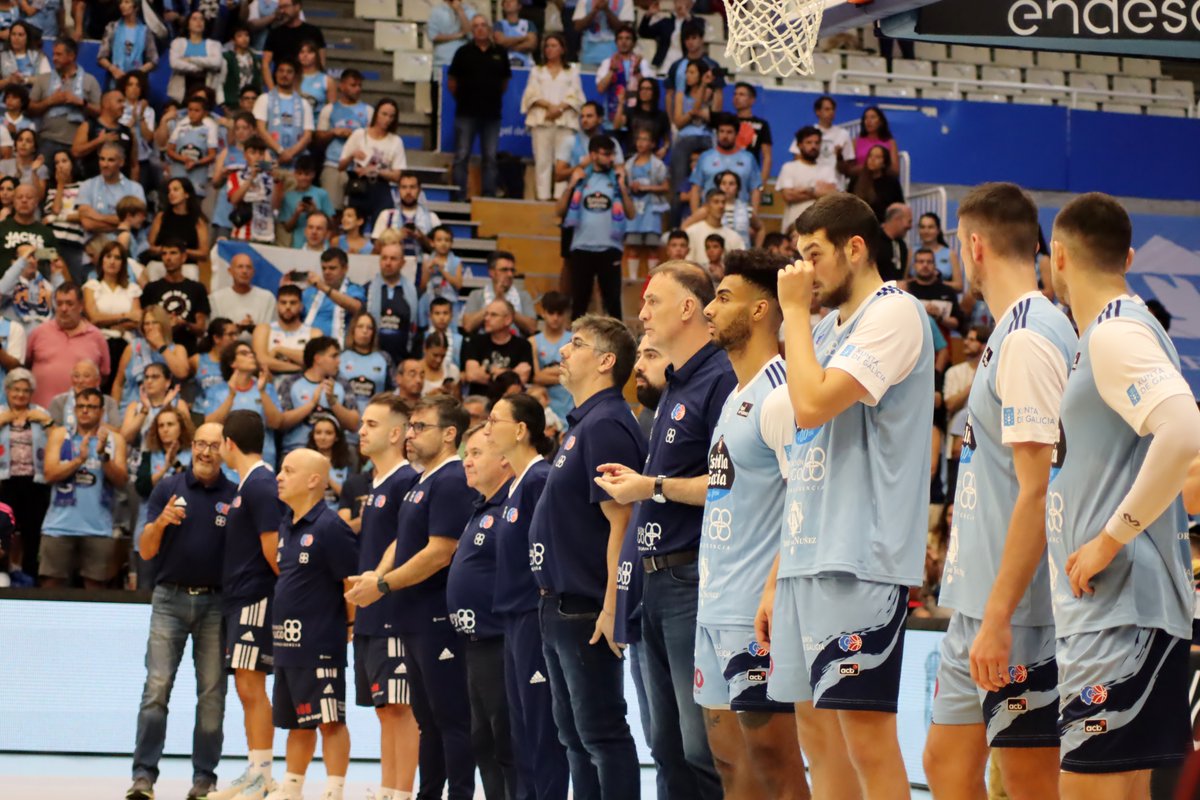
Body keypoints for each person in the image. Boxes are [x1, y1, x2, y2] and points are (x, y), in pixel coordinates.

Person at [757, 192, 934, 798]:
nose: (804, 271)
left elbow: (810, 404)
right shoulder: (829, 326)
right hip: (808, 553)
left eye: (813, 254)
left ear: (855, 248)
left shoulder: (895, 311)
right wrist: (778, 572)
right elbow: (804, 450)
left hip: (861, 556)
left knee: (865, 738)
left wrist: (795, 316)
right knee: (817, 735)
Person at [920, 183, 1077, 800]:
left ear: (974, 246)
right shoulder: (1011, 331)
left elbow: (1040, 492)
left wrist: (1001, 616)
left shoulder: (1031, 338)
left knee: (1028, 781)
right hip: (979, 597)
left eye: (958, 244)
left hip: (1020, 611)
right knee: (945, 766)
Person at [1045, 192, 1200, 796]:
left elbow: (1184, 427)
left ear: (1057, 256)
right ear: (1129, 256)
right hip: (1129, 612)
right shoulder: (1119, 329)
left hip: (1119, 614)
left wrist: (1108, 540)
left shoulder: (1113, 331)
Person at [591, 262, 731, 800]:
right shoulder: (674, 386)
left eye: (653, 302)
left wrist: (649, 487)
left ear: (689, 307)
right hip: (654, 580)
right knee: (667, 748)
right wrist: (643, 484)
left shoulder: (720, 379)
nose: (642, 313)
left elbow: (731, 484)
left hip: (693, 577)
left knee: (701, 750)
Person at [692, 248, 813, 798]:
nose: (709, 311)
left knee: (775, 764)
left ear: (762, 309)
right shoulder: (734, 395)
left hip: (754, 613)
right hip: (713, 606)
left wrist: (772, 590)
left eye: (722, 298)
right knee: (728, 762)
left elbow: (808, 499)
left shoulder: (782, 392)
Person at [526, 314, 643, 798]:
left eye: (575, 343)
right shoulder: (582, 424)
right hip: (559, 604)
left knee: (600, 734)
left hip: (588, 606)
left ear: (605, 361)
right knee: (574, 737)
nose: (563, 351)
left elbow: (624, 521)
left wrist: (612, 609)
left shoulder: (608, 423)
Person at [345, 395, 478, 800]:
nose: (413, 434)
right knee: (428, 718)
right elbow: (404, 542)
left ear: (449, 433)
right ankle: (429, 793)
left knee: (451, 717)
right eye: (413, 426)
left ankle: (457, 793)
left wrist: (384, 586)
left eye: (422, 427)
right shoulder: (424, 480)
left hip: (437, 616)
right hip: (413, 617)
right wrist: (377, 575)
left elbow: (440, 551)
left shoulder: (453, 478)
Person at [125, 422, 233, 800]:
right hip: (168, 601)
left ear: (225, 449)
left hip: (217, 605)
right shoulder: (168, 488)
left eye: (214, 445)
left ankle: (204, 779)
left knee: (212, 695)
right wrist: (160, 522)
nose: (205, 452)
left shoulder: (235, 496)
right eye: (200, 444)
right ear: (191, 446)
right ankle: (143, 777)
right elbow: (147, 550)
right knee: (156, 689)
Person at [483, 393, 571, 800]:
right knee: (519, 731)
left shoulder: (538, 479)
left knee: (541, 730)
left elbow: (554, 546)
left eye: (494, 420)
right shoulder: (516, 485)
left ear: (520, 430)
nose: (485, 429)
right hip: (513, 618)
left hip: (534, 615)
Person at [269, 447, 358, 800]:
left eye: (288, 470)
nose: (279, 476)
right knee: (296, 721)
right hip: (286, 645)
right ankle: (292, 788)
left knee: (329, 719)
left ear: (313, 481)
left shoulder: (330, 527)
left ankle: (334, 791)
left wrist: (349, 628)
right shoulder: (286, 524)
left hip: (320, 644)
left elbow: (351, 582)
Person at [206, 411, 284, 800]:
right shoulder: (249, 484)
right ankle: (256, 769)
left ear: (229, 444)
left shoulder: (260, 485)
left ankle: (262, 774)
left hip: (255, 596)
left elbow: (274, 549)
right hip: (240, 598)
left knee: (251, 685)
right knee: (245, 685)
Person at [350, 393, 421, 800]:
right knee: (384, 708)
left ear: (396, 433)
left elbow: (404, 543)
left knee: (401, 708)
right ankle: (388, 788)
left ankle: (401, 792)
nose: (361, 430)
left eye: (371, 424)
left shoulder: (407, 482)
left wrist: (378, 579)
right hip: (370, 612)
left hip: (396, 609)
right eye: (362, 423)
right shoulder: (375, 484)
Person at [448, 423, 518, 799]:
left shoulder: (513, 505)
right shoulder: (481, 507)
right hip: (474, 644)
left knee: (506, 741)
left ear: (504, 458)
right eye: (466, 454)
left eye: (476, 453)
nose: (466, 461)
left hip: (501, 640)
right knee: (483, 741)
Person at [38, 385, 127, 587]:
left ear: (102, 412)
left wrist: (103, 455)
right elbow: (50, 474)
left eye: (91, 407)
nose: (85, 411)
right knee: (49, 589)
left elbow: (121, 480)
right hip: (59, 526)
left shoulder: (115, 440)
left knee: (95, 591)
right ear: (74, 409)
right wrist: (79, 460)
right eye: (80, 406)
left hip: (98, 528)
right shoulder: (60, 435)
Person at [559, 135, 634, 321]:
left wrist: (623, 187)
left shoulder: (617, 179)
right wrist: (570, 184)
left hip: (610, 249)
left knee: (613, 305)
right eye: (606, 154)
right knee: (579, 304)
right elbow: (559, 211)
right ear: (592, 155)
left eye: (613, 154)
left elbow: (631, 214)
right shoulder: (581, 178)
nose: (611, 159)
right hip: (582, 248)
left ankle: (619, 347)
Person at [448, 15, 512, 201]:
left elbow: (504, 83)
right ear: (472, 30)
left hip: (492, 115)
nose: (480, 29)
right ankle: (459, 196)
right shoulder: (462, 52)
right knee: (461, 156)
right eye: (476, 26)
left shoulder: (500, 52)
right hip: (466, 113)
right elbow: (452, 83)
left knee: (490, 158)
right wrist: (464, 99)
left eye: (484, 25)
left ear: (490, 29)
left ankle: (489, 196)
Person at [0, 368, 53, 581]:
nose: (20, 395)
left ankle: (31, 580)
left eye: (25, 390)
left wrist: (47, 422)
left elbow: (59, 440)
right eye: (16, 390)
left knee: (33, 534)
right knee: (4, 533)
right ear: (7, 390)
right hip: (5, 482)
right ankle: (3, 575)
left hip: (36, 482)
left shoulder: (41, 413)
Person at [521, 32, 585, 202]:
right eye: (547, 46)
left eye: (554, 45)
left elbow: (576, 94)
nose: (550, 49)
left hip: (565, 121)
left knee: (562, 162)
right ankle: (542, 197)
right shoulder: (537, 70)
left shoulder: (571, 70)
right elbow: (531, 94)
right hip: (542, 120)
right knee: (542, 161)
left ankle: (560, 197)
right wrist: (549, 107)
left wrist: (560, 108)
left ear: (562, 49)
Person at [26, 283, 110, 408]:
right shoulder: (38, 332)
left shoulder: (97, 337)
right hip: (40, 414)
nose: (64, 309)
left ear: (81, 306)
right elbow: (25, 366)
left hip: (82, 416)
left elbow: (104, 376)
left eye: (69, 304)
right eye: (59, 304)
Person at [278, 336, 361, 455]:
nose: (338, 361)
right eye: (333, 356)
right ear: (317, 358)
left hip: (334, 454)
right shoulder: (290, 383)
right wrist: (311, 404)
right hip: (298, 449)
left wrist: (333, 402)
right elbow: (281, 422)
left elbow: (354, 425)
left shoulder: (342, 384)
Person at [336, 98, 406, 230]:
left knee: (382, 231)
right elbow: (341, 166)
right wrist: (352, 156)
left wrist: (375, 171)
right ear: (376, 114)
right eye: (384, 114)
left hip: (381, 187)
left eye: (391, 116)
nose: (387, 119)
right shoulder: (359, 134)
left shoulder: (396, 141)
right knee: (354, 229)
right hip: (359, 186)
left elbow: (397, 175)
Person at [28, 38, 102, 161]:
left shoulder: (90, 80)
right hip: (47, 140)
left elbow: (100, 112)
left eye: (59, 54)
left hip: (78, 144)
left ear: (71, 56)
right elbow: (30, 109)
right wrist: (51, 101)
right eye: (53, 54)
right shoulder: (43, 79)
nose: (54, 58)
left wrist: (81, 103)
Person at [315, 69, 372, 212]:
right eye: (353, 85)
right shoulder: (329, 109)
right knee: (331, 212)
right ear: (341, 86)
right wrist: (334, 132)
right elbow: (318, 139)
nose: (357, 89)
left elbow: (373, 139)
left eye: (359, 85)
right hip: (333, 164)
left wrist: (355, 136)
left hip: (357, 168)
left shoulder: (368, 111)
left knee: (355, 214)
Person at [669, 59, 719, 219]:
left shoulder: (710, 93)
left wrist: (704, 86)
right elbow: (679, 122)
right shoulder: (680, 95)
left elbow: (714, 117)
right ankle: (676, 224)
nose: (687, 76)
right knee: (679, 183)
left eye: (692, 72)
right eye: (686, 72)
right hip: (685, 139)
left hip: (705, 138)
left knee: (710, 181)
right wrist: (693, 114)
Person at [141, 240, 210, 353]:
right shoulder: (151, 288)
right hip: (156, 349)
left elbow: (201, 329)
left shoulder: (197, 288)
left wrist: (184, 324)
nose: (168, 258)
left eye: (173, 253)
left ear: (184, 257)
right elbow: (142, 324)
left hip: (188, 349)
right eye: (164, 253)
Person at [83, 239, 141, 372]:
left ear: (123, 263)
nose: (112, 261)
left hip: (126, 343)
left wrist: (107, 322)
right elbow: (94, 319)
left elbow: (137, 320)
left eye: (117, 258)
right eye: (108, 256)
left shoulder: (132, 288)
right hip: (99, 342)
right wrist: (125, 316)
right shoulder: (91, 286)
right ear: (102, 260)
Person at [688, 112, 761, 214]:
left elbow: (755, 190)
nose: (725, 136)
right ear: (717, 133)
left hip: (739, 215)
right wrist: (696, 214)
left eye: (729, 132)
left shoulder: (748, 158)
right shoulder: (705, 157)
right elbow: (695, 189)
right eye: (721, 131)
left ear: (736, 134)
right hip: (710, 216)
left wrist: (753, 218)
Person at [76, 142, 146, 245]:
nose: (105, 164)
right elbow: (88, 224)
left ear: (121, 162)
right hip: (94, 248)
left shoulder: (135, 189)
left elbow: (135, 221)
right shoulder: (87, 186)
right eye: (102, 159)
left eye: (111, 160)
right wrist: (121, 223)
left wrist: (97, 216)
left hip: (126, 246)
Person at [462, 300, 534, 398]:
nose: (487, 318)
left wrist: (488, 372)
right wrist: (509, 373)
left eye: (493, 315)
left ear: (508, 319)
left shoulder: (523, 345)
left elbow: (522, 378)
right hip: (480, 402)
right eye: (486, 314)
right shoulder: (475, 342)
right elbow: (471, 375)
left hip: (509, 402)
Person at [624, 127, 669, 277]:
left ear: (652, 143)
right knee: (633, 246)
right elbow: (623, 185)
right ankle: (632, 279)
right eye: (639, 139)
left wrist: (645, 187)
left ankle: (651, 279)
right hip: (634, 209)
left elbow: (665, 186)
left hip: (651, 208)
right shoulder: (629, 164)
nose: (640, 143)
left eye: (645, 139)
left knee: (652, 247)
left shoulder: (658, 165)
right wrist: (631, 187)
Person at [364, 241, 419, 365]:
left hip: (403, 359)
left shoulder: (413, 292)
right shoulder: (368, 289)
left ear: (402, 263)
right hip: (372, 356)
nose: (388, 263)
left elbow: (416, 329)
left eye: (393, 259)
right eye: (384, 258)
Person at [775, 126, 838, 234]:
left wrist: (805, 190)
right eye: (809, 142)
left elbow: (832, 196)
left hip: (821, 228)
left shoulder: (827, 169)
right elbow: (788, 196)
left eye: (817, 143)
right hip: (793, 228)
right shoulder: (789, 167)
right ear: (799, 145)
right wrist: (816, 192)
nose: (813, 146)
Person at [253, 59, 314, 169]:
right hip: (269, 159)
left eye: (289, 72)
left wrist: (290, 153)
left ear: (295, 76)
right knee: (268, 184)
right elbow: (260, 129)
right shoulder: (264, 99)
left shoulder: (304, 104)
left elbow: (308, 135)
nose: (284, 74)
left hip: (296, 161)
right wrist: (281, 151)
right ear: (275, 74)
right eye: (281, 71)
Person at [369, 172, 439, 267]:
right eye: (404, 187)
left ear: (419, 190)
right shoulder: (386, 215)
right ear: (398, 190)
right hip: (391, 266)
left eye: (412, 187)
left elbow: (441, 251)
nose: (408, 191)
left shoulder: (432, 218)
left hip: (423, 269)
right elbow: (376, 250)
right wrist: (396, 237)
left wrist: (422, 238)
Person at [460, 251, 537, 336]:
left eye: (512, 270)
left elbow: (532, 328)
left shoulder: (524, 296)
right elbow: (468, 327)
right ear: (492, 272)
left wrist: (506, 306)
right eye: (504, 270)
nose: (510, 274)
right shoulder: (476, 295)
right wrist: (495, 302)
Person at [298, 247, 366, 342]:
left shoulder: (353, 289)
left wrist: (324, 288)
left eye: (332, 268)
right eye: (324, 268)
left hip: (340, 349)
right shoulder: (310, 291)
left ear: (345, 268)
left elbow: (357, 308)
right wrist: (285, 289)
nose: (327, 272)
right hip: (307, 346)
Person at [253, 285, 319, 380]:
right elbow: (261, 361)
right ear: (277, 305)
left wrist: (279, 350)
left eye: (293, 303)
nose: (288, 307)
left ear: (301, 306)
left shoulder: (314, 333)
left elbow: (315, 361)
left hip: (303, 389)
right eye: (283, 303)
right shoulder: (263, 329)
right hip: (270, 388)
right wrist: (299, 367)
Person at [261, 0, 326, 87]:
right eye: (280, 7)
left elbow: (321, 62)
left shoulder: (314, 32)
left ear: (297, 7)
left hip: (308, 87)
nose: (282, 11)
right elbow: (265, 63)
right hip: (281, 87)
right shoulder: (275, 33)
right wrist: (272, 89)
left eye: (286, 6)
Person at [226, 136, 278, 243]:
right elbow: (234, 199)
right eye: (253, 153)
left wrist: (276, 179)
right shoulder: (236, 176)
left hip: (266, 235)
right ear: (245, 155)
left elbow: (277, 206)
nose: (257, 157)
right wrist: (251, 178)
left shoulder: (271, 178)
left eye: (261, 153)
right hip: (242, 233)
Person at [165, 95, 219, 199]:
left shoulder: (209, 128)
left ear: (204, 112)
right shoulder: (180, 126)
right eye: (190, 110)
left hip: (198, 179)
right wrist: (182, 159)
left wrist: (196, 163)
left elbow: (212, 154)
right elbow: (170, 150)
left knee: (195, 207)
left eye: (197, 110)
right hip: (178, 175)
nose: (192, 113)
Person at [532, 290, 573, 423]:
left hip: (569, 406)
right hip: (543, 408)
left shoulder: (574, 340)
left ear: (565, 314)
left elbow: (573, 374)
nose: (555, 318)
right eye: (551, 313)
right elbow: (536, 377)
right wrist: (563, 374)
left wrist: (545, 373)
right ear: (543, 312)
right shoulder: (533, 342)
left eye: (560, 313)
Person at [209, 253, 277, 334]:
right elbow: (214, 332)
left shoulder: (267, 298)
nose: (244, 271)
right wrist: (237, 328)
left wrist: (252, 328)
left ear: (253, 272)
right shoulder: (216, 298)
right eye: (240, 267)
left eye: (248, 267)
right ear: (230, 271)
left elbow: (272, 332)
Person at [148, 179, 210, 265]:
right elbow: (149, 247)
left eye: (175, 190)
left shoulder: (198, 221)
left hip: (186, 265)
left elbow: (204, 254)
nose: (171, 193)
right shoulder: (161, 217)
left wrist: (180, 251)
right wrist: (164, 250)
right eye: (169, 191)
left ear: (186, 194)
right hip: (160, 263)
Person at [595, 24, 649, 123]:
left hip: (637, 113)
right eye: (620, 38)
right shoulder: (607, 63)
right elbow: (600, 89)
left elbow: (649, 90)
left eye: (628, 38)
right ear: (616, 42)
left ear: (634, 42)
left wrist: (637, 71)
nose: (624, 41)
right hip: (613, 111)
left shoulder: (642, 63)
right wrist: (611, 71)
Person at [340, 311, 393, 409]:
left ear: (373, 333)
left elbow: (393, 391)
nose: (365, 331)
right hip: (346, 417)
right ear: (352, 330)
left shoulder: (385, 358)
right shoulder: (340, 357)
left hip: (376, 415)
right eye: (360, 326)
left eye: (369, 328)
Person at [279, 155, 334, 249]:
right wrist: (297, 213)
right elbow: (287, 228)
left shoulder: (322, 194)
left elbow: (331, 223)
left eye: (307, 174)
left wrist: (315, 211)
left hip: (321, 245)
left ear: (313, 174)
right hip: (298, 243)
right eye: (299, 173)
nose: (303, 177)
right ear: (294, 174)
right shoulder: (288, 196)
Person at [0, 181, 58, 268]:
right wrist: (17, 250)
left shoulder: (46, 232)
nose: (24, 200)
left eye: (29, 197)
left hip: (37, 280)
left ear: (36, 202)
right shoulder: (2, 228)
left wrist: (33, 252)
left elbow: (55, 256)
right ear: (13, 202)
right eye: (19, 197)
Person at [908, 248, 964, 335]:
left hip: (943, 343)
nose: (925, 265)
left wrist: (940, 317)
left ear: (935, 265)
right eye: (921, 261)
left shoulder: (947, 291)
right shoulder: (906, 290)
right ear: (914, 265)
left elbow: (957, 323)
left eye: (929, 262)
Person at [638, 0, 703, 72]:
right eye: (677, 1)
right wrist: (648, 15)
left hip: (685, 64)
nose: (680, 3)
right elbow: (644, 33)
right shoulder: (666, 22)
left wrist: (687, 15)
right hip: (663, 63)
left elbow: (698, 33)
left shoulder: (697, 21)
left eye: (683, 1)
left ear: (691, 4)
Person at [614, 76, 670, 159]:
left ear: (654, 92)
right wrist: (621, 104)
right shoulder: (630, 112)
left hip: (652, 158)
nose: (644, 92)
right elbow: (617, 126)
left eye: (648, 89)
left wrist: (665, 149)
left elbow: (667, 140)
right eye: (642, 89)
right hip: (631, 157)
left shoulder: (661, 115)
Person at [418, 225, 464, 327]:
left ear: (451, 243)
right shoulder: (427, 261)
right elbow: (422, 287)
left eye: (447, 240)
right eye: (439, 240)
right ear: (432, 242)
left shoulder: (456, 262)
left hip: (450, 304)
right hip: (431, 303)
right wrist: (427, 271)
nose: (443, 243)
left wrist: (443, 271)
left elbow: (458, 285)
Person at [684, 189, 744, 266]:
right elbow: (686, 263)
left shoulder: (734, 237)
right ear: (707, 206)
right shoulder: (692, 232)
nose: (721, 206)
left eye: (723, 202)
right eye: (716, 202)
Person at [308, 415, 352, 508]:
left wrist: (327, 476)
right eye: (318, 432)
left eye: (328, 433)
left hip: (338, 514)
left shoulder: (346, 463)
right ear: (313, 436)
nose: (323, 437)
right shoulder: (305, 460)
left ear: (337, 437)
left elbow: (348, 497)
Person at [853, 144, 905, 223]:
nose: (872, 159)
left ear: (884, 163)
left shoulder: (891, 183)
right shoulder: (856, 180)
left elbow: (899, 207)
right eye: (870, 156)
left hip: (883, 226)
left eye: (877, 157)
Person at [573, 0, 634, 66]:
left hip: (614, 52)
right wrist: (595, 10)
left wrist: (606, 10)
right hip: (589, 52)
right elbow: (578, 27)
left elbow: (623, 29)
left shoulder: (626, 1)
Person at [221, 24, 263, 112]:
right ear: (233, 40)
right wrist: (223, 105)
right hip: (232, 104)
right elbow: (220, 83)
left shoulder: (256, 58)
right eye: (240, 36)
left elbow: (259, 82)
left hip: (253, 103)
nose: (244, 39)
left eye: (246, 35)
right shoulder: (227, 58)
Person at [852, 106, 900, 178]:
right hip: (861, 181)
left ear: (880, 121)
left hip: (883, 180)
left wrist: (879, 167)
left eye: (873, 117)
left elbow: (895, 170)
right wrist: (867, 167)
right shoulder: (856, 142)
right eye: (866, 118)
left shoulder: (890, 142)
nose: (868, 121)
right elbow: (850, 169)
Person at [428, 0, 477, 69]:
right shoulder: (436, 11)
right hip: (441, 63)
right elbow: (433, 36)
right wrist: (459, 35)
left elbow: (471, 35)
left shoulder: (470, 12)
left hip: (465, 62)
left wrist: (460, 11)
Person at [0, 22, 50, 89]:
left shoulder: (38, 56)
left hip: (33, 97)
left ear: (27, 37)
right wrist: (8, 81)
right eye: (13, 34)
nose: (16, 38)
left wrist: (25, 80)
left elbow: (47, 81)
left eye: (20, 35)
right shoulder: (2, 56)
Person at [876, 202, 912, 284]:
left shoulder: (902, 245)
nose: (910, 226)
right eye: (909, 221)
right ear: (897, 219)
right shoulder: (873, 241)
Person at [494, 0, 537, 67]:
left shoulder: (528, 24)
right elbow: (501, 42)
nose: (508, 2)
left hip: (526, 65)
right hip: (504, 66)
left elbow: (531, 45)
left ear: (519, 6)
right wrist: (524, 38)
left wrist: (508, 46)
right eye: (505, 1)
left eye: (512, 0)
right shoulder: (498, 24)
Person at [421, 331, 460, 397]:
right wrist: (429, 398)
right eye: (435, 355)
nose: (439, 360)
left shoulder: (452, 371)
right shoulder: (414, 370)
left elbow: (458, 403)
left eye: (443, 356)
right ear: (425, 349)